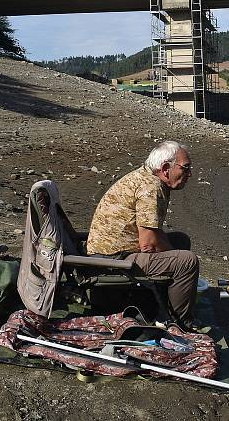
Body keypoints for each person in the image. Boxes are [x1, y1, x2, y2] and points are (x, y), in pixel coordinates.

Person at [85, 140, 199, 328]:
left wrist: (171, 249)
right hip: (112, 259)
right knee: (187, 262)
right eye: (185, 169)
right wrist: (172, 253)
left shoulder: (145, 178)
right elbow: (149, 244)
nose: (189, 174)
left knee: (181, 241)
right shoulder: (150, 188)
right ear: (165, 168)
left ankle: (164, 299)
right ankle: (180, 324)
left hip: (113, 248)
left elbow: (151, 233)